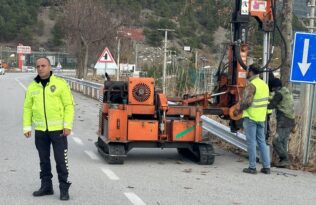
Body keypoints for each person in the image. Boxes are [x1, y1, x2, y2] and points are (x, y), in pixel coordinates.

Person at [23, 57, 74, 200]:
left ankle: (64, 188)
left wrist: (67, 125)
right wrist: (27, 126)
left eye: (43, 65)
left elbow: (69, 106)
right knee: (43, 160)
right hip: (40, 131)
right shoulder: (32, 86)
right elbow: (27, 108)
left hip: (58, 131)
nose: (40, 68)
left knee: (61, 161)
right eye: (38, 66)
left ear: (50, 67)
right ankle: (46, 186)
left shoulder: (60, 84)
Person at [234, 64, 271, 174]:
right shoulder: (264, 85)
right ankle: (266, 167)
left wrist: (238, 110)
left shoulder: (251, 85)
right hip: (261, 117)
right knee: (262, 142)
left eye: (247, 70)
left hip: (251, 118)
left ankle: (252, 167)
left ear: (250, 72)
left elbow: (246, 102)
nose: (246, 72)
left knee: (251, 142)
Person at [268, 78, 295, 168]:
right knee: (283, 142)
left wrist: (261, 104)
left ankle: (285, 160)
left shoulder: (279, 94)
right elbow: (277, 99)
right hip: (290, 120)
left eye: (273, 88)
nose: (272, 90)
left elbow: (271, 105)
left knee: (276, 141)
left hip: (284, 120)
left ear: (275, 87)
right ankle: (283, 161)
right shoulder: (285, 91)